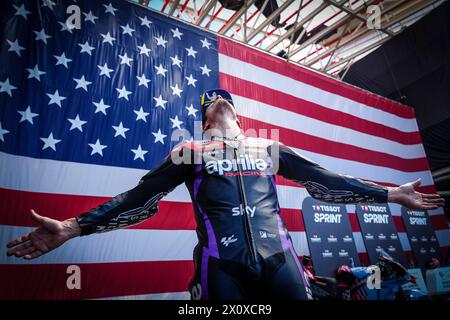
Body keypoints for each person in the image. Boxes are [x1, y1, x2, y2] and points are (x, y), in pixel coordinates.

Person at [6, 89, 445, 300]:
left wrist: (391, 194)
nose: (219, 103)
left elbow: (329, 181)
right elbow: (135, 200)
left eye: (224, 101)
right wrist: (71, 226)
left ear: (240, 115)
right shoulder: (190, 152)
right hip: (222, 269)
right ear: (205, 121)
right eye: (211, 104)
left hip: (282, 263)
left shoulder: (268, 148)